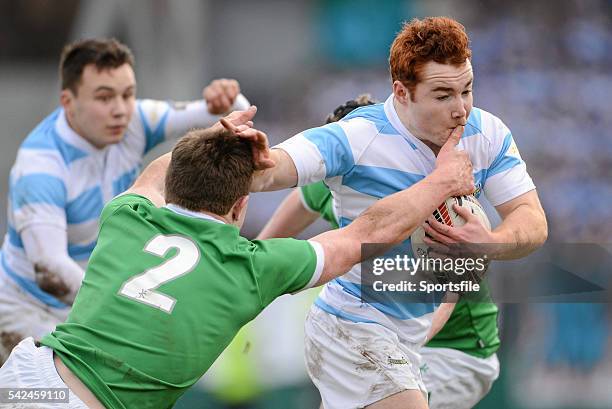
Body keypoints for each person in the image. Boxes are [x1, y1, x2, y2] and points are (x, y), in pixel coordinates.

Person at [0, 106, 474, 409]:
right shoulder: (250, 266)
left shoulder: (126, 215)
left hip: (28, 379)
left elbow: (154, 172)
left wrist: (215, 134)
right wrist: (442, 182)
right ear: (240, 205)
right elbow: (362, 236)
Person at [246, 17, 548, 409]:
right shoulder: (357, 140)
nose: (461, 109)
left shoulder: (486, 134)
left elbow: (532, 219)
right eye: (443, 96)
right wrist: (252, 162)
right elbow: (279, 170)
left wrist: (490, 242)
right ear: (402, 93)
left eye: (467, 90)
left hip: (454, 347)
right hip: (354, 326)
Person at [0, 38, 249, 363]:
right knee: (43, 399)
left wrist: (225, 97)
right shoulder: (40, 167)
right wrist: (128, 302)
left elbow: (234, 115)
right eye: (104, 97)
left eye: (128, 94)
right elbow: (50, 270)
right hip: (27, 311)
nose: (120, 108)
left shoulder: (134, 119)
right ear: (67, 101)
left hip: (88, 302)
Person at [258, 94, 503, 408]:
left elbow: (451, 293)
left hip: (456, 350)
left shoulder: (424, 196)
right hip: (383, 338)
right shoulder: (328, 184)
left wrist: (395, 349)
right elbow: (265, 244)